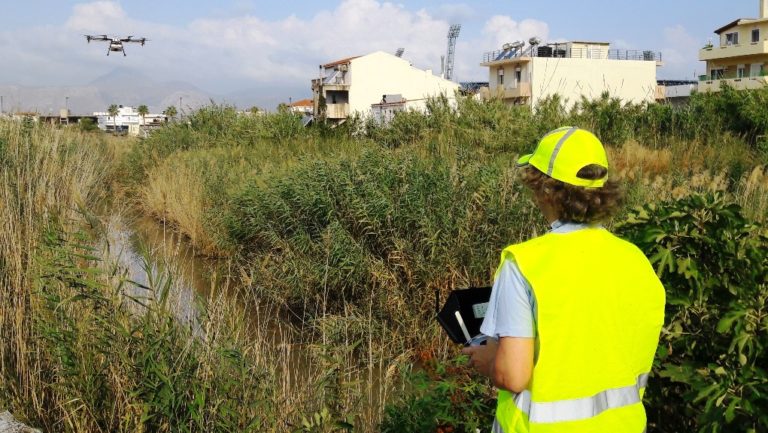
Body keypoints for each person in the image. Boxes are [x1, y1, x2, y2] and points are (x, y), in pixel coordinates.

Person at [462, 127, 665, 433]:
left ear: (545, 189)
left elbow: (513, 375)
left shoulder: (524, 264)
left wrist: (489, 361)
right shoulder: (636, 261)